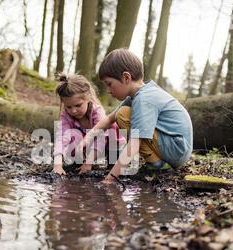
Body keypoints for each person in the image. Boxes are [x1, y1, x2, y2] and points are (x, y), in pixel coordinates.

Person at [78, 48, 193, 184]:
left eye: (109, 84)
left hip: (176, 148)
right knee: (121, 113)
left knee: (123, 115)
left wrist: (111, 178)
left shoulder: (144, 99)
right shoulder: (140, 93)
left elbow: (134, 143)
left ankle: (158, 165)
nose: (108, 91)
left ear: (126, 78)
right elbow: (109, 118)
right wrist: (87, 138)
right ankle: (157, 163)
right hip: (175, 146)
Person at [52, 73, 125, 175]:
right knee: (72, 134)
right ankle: (78, 163)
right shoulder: (66, 116)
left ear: (88, 98)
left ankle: (113, 163)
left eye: (78, 105)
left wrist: (89, 163)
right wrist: (57, 165)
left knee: (112, 126)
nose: (73, 111)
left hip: (108, 145)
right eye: (69, 107)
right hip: (85, 149)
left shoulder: (97, 111)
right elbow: (61, 139)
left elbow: (100, 138)